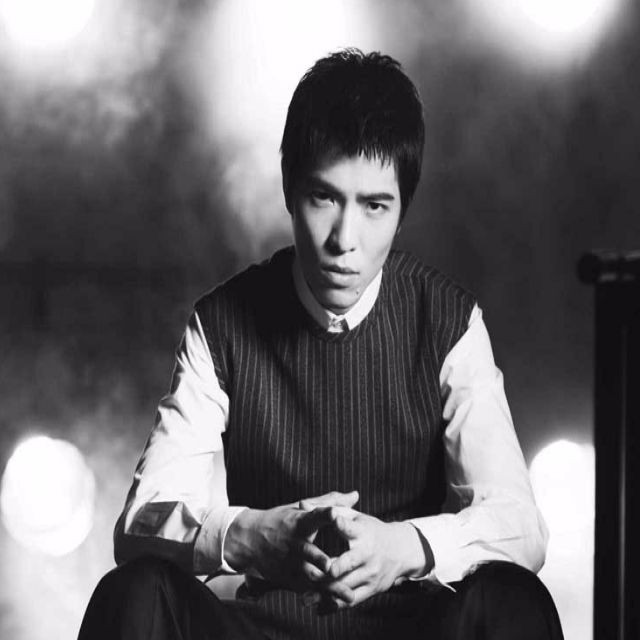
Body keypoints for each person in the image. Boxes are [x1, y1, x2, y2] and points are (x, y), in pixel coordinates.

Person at [78, 49, 563, 639]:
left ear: (402, 211)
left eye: (374, 206)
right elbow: (138, 524)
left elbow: (521, 528)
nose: (344, 239)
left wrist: (405, 546)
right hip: (260, 632)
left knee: (512, 599)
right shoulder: (222, 323)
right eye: (324, 197)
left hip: (411, 633)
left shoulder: (448, 322)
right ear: (289, 190)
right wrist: (251, 536)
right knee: (137, 593)